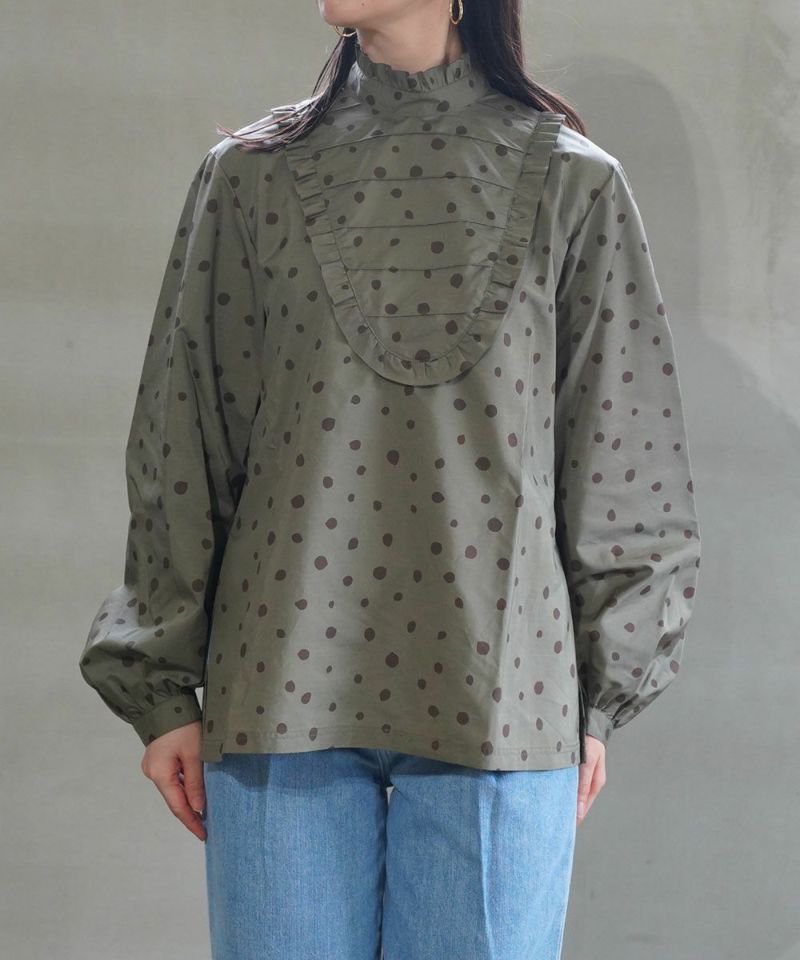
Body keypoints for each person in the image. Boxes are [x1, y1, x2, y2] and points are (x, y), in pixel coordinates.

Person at [78, 1, 702, 957]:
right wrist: (159, 687)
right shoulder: (249, 178)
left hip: (503, 699)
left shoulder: (574, 184)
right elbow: (183, 438)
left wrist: (598, 697)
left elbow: (625, 461)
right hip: (281, 685)